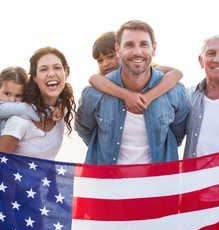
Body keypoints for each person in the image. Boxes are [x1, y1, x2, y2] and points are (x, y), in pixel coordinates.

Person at [74, 20, 190, 165]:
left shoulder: (172, 89)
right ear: (119, 49)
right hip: (107, 182)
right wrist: (105, 146)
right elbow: (85, 129)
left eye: (143, 44)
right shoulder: (95, 93)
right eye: (129, 45)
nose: (137, 51)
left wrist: (148, 97)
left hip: (159, 183)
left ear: (154, 48)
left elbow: (178, 132)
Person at [0, 46, 76, 160]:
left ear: (66, 72)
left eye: (57, 67)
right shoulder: (20, 121)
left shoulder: (62, 109)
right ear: (35, 77)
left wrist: (62, 105)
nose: (51, 74)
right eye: (43, 69)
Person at [89, 31, 183, 114]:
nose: (105, 64)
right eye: (100, 60)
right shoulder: (104, 77)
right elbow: (93, 79)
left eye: (110, 56)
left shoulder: (146, 69)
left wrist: (149, 96)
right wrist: (128, 96)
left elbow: (177, 73)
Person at [0, 66, 63, 147]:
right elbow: (27, 110)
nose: (12, 100)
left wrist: (60, 104)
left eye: (18, 96)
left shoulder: (18, 103)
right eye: (7, 94)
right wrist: (52, 109)